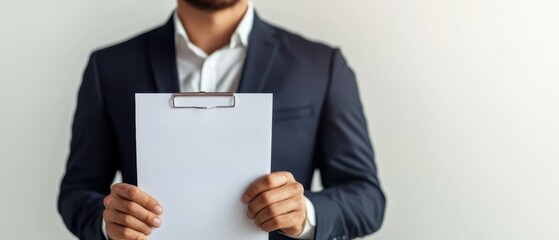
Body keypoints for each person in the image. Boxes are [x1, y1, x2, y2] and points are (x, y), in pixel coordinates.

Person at [58, 0, 386, 239]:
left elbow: (366, 197)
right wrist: (108, 220)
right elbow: (77, 191)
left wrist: (305, 213)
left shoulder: (320, 65)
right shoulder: (109, 67)